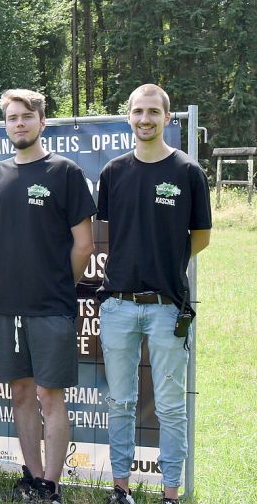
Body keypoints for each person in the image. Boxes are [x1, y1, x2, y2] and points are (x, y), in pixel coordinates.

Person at [97, 84, 211, 504]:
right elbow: (112, 231)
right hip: (119, 306)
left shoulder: (187, 172)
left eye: (153, 112)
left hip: (167, 307)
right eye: (137, 111)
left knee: (170, 408)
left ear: (167, 117)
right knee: (120, 402)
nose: (145, 119)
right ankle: (120, 490)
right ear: (128, 116)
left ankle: (170, 495)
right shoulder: (113, 172)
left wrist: (166, 261)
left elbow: (200, 237)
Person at [0, 89, 96, 502]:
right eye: (12, 118)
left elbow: (84, 244)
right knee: (21, 393)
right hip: (8, 306)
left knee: (51, 395)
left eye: (26, 117)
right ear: (6, 125)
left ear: (42, 122)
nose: (19, 124)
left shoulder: (65, 172)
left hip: (52, 307)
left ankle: (51, 484)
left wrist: (57, 283)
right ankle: (29, 477)